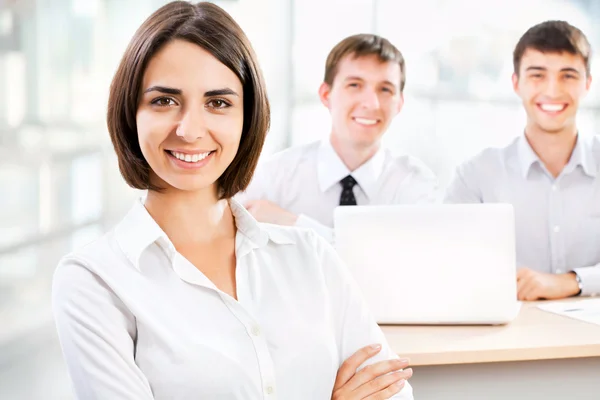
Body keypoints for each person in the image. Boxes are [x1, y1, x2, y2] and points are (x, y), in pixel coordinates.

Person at [51, 2, 414, 399]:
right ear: (130, 113)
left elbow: (394, 391)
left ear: (247, 117)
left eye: (218, 103)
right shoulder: (94, 281)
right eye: (164, 101)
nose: (190, 130)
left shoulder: (310, 256)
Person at [445, 20, 600, 301]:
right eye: (537, 75)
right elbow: (450, 259)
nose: (552, 90)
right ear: (516, 83)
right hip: (508, 336)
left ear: (587, 84)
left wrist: (572, 281)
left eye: (568, 76)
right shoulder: (477, 176)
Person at [238, 34, 438, 242]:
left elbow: (399, 263)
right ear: (326, 95)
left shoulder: (414, 184)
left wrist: (294, 225)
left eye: (385, 89)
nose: (371, 103)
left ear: (399, 103)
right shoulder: (275, 176)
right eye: (354, 85)